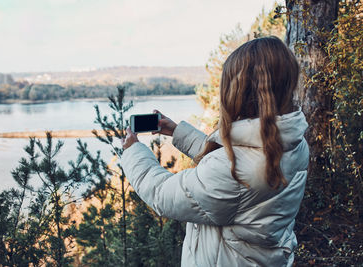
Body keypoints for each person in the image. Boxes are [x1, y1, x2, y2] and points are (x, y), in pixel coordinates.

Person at [121, 36, 309, 267]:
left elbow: (161, 194)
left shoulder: (233, 171)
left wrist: (133, 151)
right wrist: (179, 133)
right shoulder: (294, 143)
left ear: (238, 91)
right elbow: (237, 163)